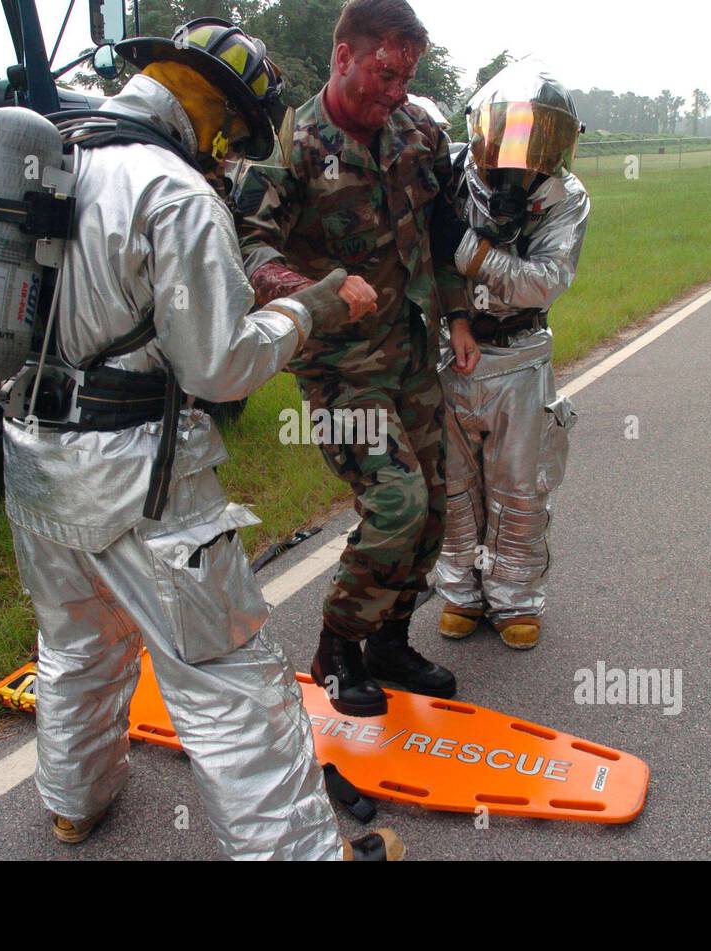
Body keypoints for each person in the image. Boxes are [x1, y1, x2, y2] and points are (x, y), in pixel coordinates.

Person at [2, 18, 401, 861]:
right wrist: (312, 307)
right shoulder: (174, 193)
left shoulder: (53, 154)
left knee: (76, 644)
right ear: (214, 111)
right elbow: (220, 367)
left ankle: (75, 802)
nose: (225, 150)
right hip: (142, 477)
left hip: (33, 457)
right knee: (227, 680)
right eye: (228, 131)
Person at [235, 0, 479, 718]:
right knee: (397, 502)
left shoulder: (417, 131)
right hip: (340, 367)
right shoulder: (293, 144)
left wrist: (459, 314)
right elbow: (248, 249)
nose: (396, 90)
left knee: (434, 509)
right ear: (343, 56)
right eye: (383, 73)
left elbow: (444, 224)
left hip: (411, 352)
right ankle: (336, 648)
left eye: (406, 76)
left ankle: (389, 642)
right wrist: (317, 292)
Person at [432, 59, 588, 650]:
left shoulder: (566, 198)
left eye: (537, 134)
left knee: (519, 488)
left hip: (521, 357)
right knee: (453, 484)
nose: (520, 151)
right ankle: (460, 594)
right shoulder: (449, 173)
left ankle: (516, 600)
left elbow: (540, 283)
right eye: (511, 131)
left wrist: (469, 252)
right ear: (482, 129)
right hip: (451, 353)